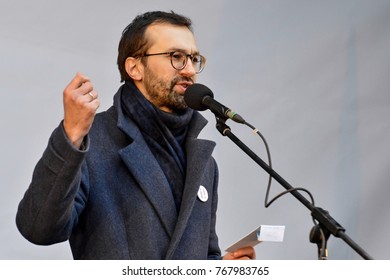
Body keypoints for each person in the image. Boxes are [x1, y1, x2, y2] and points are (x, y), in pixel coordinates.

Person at [16, 10, 255, 260]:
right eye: (176, 56)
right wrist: (71, 135)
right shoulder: (91, 140)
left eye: (194, 59)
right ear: (134, 67)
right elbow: (38, 229)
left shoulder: (204, 162)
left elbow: (203, 254)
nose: (189, 70)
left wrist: (222, 268)